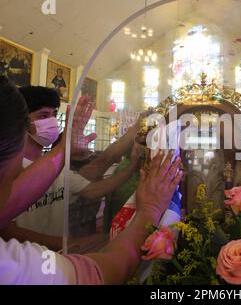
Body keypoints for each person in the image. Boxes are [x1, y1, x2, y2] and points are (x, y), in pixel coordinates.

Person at [0, 76, 183, 284]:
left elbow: (95, 172)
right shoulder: (12, 265)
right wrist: (149, 208)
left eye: (53, 115)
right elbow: (104, 272)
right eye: (43, 115)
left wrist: (64, 149)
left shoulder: (49, 168)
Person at [1, 86, 141, 251]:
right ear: (23, 122)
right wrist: (66, 244)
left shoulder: (55, 164)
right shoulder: (9, 168)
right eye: (43, 116)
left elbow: (93, 186)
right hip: (27, 262)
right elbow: (7, 230)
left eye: (54, 114)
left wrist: (132, 166)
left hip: (56, 259)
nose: (52, 122)